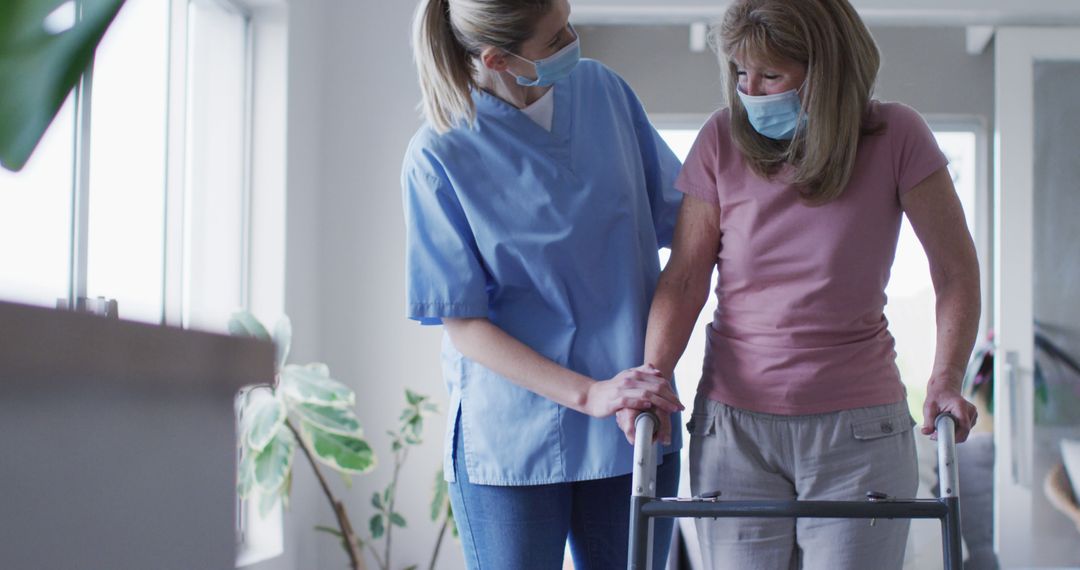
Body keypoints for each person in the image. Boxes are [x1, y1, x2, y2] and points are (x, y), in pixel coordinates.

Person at [618, 0, 982, 568]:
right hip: (735, 429)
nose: (751, 90)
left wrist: (946, 379)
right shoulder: (720, 139)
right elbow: (686, 278)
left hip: (860, 432)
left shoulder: (895, 134)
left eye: (771, 74)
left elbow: (955, 271)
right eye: (740, 72)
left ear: (826, 69)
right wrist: (653, 376)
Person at [403, 0, 685, 567]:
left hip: (633, 420)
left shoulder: (605, 94)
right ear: (498, 59)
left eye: (568, 23)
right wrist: (591, 394)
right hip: (512, 439)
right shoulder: (438, 155)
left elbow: (691, 231)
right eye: (556, 38)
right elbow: (464, 324)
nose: (574, 41)